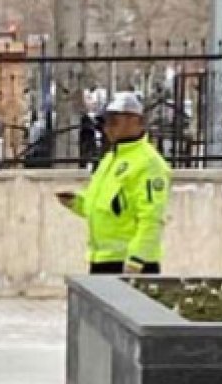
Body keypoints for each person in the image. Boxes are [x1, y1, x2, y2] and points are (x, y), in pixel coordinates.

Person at [57, 92, 172, 274]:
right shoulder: (111, 158)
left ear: (135, 121)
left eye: (114, 122)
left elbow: (152, 217)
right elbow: (108, 207)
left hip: (130, 263)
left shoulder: (148, 163)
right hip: (102, 259)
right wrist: (77, 203)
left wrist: (137, 259)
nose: (107, 128)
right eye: (105, 122)